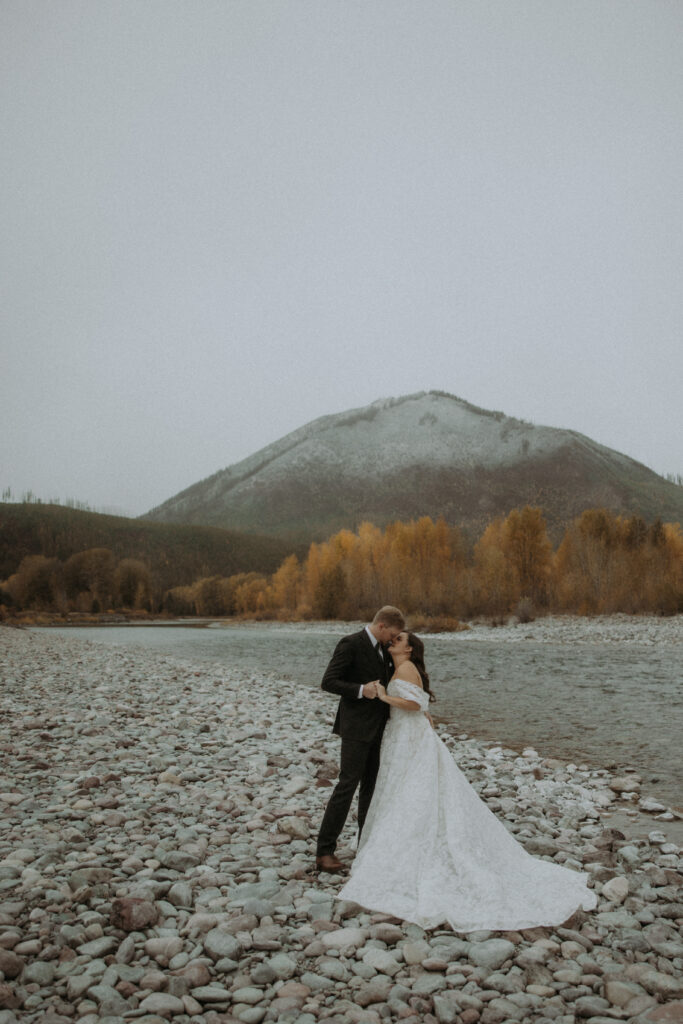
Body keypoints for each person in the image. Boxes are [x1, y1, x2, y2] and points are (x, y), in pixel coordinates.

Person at [338, 631, 598, 930]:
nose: (393, 640)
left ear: (409, 649)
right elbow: (422, 704)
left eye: (399, 639)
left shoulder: (406, 668)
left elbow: (416, 705)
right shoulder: (400, 667)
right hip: (404, 735)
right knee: (403, 789)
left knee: (412, 789)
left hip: (409, 736)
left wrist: (385, 696)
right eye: (393, 637)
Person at [315, 606, 405, 873]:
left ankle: (365, 843)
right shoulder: (351, 644)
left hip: (379, 729)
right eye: (393, 634)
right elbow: (328, 681)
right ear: (382, 626)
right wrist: (360, 690)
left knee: (371, 788)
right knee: (347, 785)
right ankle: (324, 852)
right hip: (355, 729)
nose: (394, 639)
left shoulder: (384, 650)